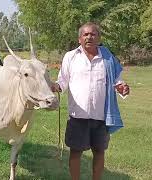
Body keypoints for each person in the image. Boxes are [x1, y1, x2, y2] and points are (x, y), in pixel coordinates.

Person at [51, 22, 130, 180]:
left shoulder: (107, 58)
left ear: (99, 38)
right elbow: (63, 82)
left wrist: (121, 87)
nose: (89, 37)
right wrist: (55, 86)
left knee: (99, 152)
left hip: (101, 115)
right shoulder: (70, 57)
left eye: (93, 34)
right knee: (75, 152)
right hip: (77, 114)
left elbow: (117, 81)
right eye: (85, 34)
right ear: (79, 38)